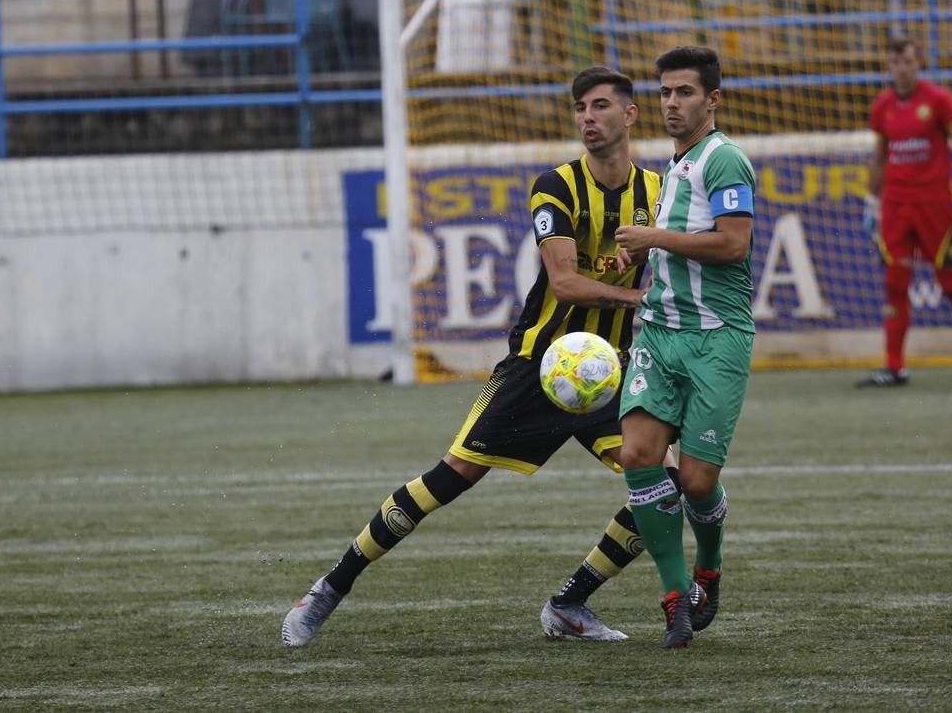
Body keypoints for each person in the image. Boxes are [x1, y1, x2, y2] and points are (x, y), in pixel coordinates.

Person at [281, 66, 666, 647]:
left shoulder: (657, 193)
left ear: (630, 115)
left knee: (663, 486)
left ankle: (571, 602)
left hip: (611, 374)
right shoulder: (556, 185)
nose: (588, 117)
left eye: (601, 106)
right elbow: (562, 282)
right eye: (581, 107)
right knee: (453, 475)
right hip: (540, 368)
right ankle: (329, 589)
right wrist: (637, 295)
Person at [612, 45, 758, 650]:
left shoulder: (725, 160)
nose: (673, 103)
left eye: (686, 93)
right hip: (661, 333)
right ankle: (676, 598)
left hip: (717, 339)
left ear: (712, 99)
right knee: (637, 454)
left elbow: (733, 246)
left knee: (698, 484)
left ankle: (709, 568)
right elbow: (679, 241)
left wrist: (653, 234)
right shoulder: (674, 165)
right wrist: (645, 251)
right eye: (666, 93)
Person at [858, 37, 952, 388]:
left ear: (919, 62)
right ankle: (895, 366)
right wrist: (871, 202)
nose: (902, 69)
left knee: (950, 285)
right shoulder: (883, 107)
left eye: (908, 62)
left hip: (935, 207)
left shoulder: (938, 100)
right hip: (896, 207)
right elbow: (879, 156)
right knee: (895, 283)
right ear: (888, 66)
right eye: (895, 63)